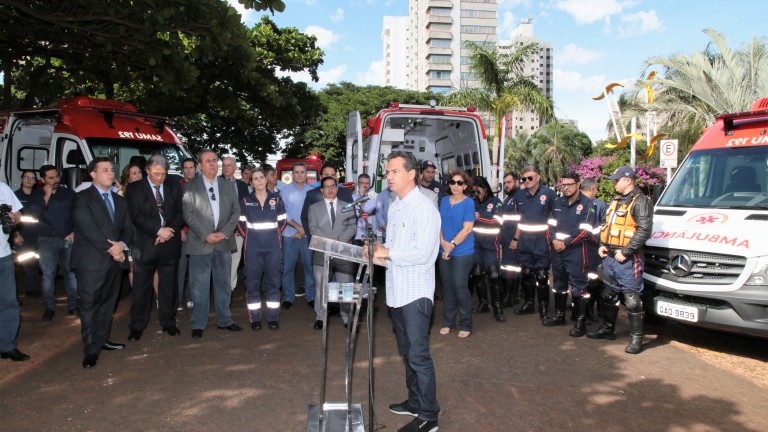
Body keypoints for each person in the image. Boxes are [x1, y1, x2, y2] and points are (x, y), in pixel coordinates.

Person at [371, 151, 440, 432]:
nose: (388, 176)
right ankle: (414, 401)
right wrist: (376, 255)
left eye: (393, 171)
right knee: (407, 352)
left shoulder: (424, 208)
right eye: (387, 172)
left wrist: (387, 251)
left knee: (419, 356)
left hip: (415, 293)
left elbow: (424, 254)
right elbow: (393, 249)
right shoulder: (396, 205)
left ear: (411, 174)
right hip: (397, 291)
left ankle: (429, 416)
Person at [71, 157, 134, 368]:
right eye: (105, 170)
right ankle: (90, 349)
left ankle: (102, 339)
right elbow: (88, 230)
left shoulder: (120, 200)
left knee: (108, 305)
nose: (110, 173)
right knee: (89, 305)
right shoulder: (82, 198)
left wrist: (122, 244)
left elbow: (128, 228)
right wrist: (113, 249)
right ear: (93, 174)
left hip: (114, 263)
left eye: (111, 169)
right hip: (91, 263)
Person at [588, 166, 652, 354]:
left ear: (628, 180)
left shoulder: (641, 202)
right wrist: (601, 243)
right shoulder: (615, 200)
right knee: (608, 294)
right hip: (610, 256)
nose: (614, 183)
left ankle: (636, 339)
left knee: (632, 300)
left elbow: (644, 231)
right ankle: (608, 329)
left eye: (617, 180)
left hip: (628, 259)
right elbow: (606, 224)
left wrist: (627, 251)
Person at [182, 149, 242, 339]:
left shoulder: (227, 185)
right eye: (208, 161)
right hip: (201, 243)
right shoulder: (190, 187)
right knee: (199, 286)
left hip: (223, 242)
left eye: (215, 161)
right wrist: (206, 235)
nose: (213, 164)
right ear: (199, 165)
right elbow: (188, 215)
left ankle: (225, 320)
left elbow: (235, 212)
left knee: (224, 284)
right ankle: (199, 323)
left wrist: (224, 233)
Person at [125, 155, 184, 341]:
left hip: (170, 244)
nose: (160, 178)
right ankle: (137, 325)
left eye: (163, 174)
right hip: (146, 244)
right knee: (142, 287)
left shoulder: (173, 186)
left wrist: (169, 231)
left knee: (168, 285)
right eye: (156, 174)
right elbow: (136, 217)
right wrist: (158, 231)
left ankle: (168, 321)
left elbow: (179, 213)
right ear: (147, 171)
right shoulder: (134, 189)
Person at [544, 173, 597, 334]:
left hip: (576, 252)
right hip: (557, 251)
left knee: (579, 286)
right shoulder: (558, 202)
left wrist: (564, 243)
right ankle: (560, 316)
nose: (566, 187)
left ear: (578, 185)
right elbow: (551, 224)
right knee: (558, 283)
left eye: (569, 184)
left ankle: (580, 322)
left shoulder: (587, 204)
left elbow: (585, 231)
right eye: (563, 184)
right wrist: (553, 240)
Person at [237, 168, 286, 330]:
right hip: (252, 249)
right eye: (255, 178)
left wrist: (273, 238)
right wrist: (250, 238)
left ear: (266, 180)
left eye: (261, 178)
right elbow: (241, 224)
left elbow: (282, 222)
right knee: (252, 284)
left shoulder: (276, 199)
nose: (258, 181)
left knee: (273, 282)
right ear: (251, 182)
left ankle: (273, 317)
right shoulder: (245, 200)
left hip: (273, 248)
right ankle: (255, 318)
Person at [29, 165, 78, 319]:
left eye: (56, 176)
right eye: (50, 178)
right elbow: (34, 213)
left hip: (67, 239)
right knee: (48, 276)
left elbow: (78, 214)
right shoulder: (37, 195)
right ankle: (49, 307)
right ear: (42, 180)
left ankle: (73, 306)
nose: (55, 180)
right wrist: (47, 196)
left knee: (71, 274)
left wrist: (74, 232)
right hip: (46, 240)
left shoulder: (69, 194)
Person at [308, 176, 356, 329]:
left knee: (346, 286)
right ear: (322, 190)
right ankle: (321, 317)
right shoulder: (313, 208)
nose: (330, 189)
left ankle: (347, 317)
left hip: (344, 252)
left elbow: (352, 227)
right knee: (321, 286)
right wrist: (330, 241)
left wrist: (339, 241)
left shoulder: (348, 206)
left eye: (332, 186)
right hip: (322, 252)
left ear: (337, 188)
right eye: (326, 187)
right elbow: (313, 229)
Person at [511, 165, 556, 320]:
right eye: (524, 179)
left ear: (538, 177)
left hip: (542, 240)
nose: (527, 181)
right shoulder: (519, 196)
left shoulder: (549, 194)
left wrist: (554, 238)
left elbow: (555, 219)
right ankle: (529, 304)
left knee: (542, 276)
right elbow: (519, 220)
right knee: (527, 273)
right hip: (524, 241)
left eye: (530, 178)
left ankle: (543, 307)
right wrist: (515, 239)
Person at [438, 170, 474, 338]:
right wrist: (442, 242)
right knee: (447, 287)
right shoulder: (444, 201)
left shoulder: (469, 203)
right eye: (453, 182)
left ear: (465, 186)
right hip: (444, 249)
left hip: (462, 251)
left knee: (460, 286)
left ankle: (466, 323)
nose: (456, 186)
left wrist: (450, 245)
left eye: (460, 183)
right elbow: (438, 224)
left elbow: (467, 229)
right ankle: (448, 322)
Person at [0, 171, 31, 362]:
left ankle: (7, 345)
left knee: (9, 302)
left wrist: (13, 217)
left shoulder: (2, 188)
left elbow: (19, 215)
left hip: (3, 255)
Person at [280, 162, 314, 309]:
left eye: (302, 172)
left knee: (309, 266)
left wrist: (304, 230)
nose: (299, 174)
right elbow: (283, 213)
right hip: (289, 234)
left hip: (307, 235)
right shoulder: (284, 191)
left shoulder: (312, 192)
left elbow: (314, 215)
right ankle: (288, 296)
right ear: (292, 174)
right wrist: (298, 228)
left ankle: (311, 295)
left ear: (306, 174)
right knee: (288, 267)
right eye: (296, 172)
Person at [471, 175, 505, 321]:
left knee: (494, 275)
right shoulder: (472, 202)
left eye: (478, 191)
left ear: (485, 189)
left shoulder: (496, 202)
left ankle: (497, 308)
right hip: (476, 245)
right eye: (474, 192)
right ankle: (483, 303)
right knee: (477, 274)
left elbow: (500, 221)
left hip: (491, 245)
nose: (476, 195)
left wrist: (480, 218)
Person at [221, 155, 250, 292]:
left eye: (229, 165)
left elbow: (244, 208)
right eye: (224, 165)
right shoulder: (216, 182)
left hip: (238, 230)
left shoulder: (242, 186)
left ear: (235, 167)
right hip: (221, 229)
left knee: (235, 259)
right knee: (221, 260)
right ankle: (221, 286)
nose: (226, 168)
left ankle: (230, 288)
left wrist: (241, 227)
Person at [580, 178, 607, 323]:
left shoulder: (599, 205)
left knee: (591, 280)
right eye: (596, 189)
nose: (597, 192)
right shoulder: (599, 204)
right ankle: (586, 311)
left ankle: (588, 310)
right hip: (589, 248)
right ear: (591, 189)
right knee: (589, 280)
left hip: (590, 248)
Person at [13, 170, 41, 298]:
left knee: (34, 263)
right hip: (22, 235)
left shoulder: (38, 196)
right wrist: (16, 234)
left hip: (37, 234)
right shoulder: (15, 196)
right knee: (22, 263)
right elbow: (11, 218)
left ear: (35, 181)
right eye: (26, 177)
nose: (29, 180)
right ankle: (21, 292)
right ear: (21, 179)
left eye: (32, 178)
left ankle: (32, 289)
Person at [177, 157, 198, 308]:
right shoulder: (176, 187)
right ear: (182, 170)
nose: (189, 170)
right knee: (180, 268)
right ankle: (177, 299)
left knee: (195, 269)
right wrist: (180, 229)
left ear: (196, 169)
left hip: (198, 234)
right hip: (183, 234)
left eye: (191, 167)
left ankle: (191, 297)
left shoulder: (202, 186)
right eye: (186, 168)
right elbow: (174, 211)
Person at [499, 172, 521, 307]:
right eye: (505, 183)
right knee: (508, 268)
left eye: (509, 182)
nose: (506, 185)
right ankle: (511, 296)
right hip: (505, 240)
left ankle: (511, 296)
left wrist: (515, 239)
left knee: (511, 269)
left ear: (517, 182)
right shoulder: (508, 199)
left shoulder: (519, 198)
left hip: (513, 241)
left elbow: (522, 220)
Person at [351, 173, 378, 246]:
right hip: (356, 234)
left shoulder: (374, 196)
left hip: (370, 234)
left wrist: (362, 196)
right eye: (362, 183)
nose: (365, 185)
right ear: (358, 184)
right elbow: (353, 214)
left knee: (370, 256)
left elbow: (367, 210)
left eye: (367, 183)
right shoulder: (352, 198)